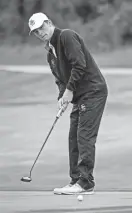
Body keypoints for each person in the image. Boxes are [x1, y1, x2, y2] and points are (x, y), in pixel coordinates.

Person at [28, 12, 108, 195]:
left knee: (84, 136)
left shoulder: (66, 36)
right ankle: (76, 181)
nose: (40, 33)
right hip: (80, 96)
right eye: (36, 32)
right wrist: (61, 97)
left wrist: (69, 91)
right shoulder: (50, 53)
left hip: (93, 91)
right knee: (73, 137)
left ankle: (86, 182)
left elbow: (79, 64)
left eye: (41, 28)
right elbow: (61, 79)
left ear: (48, 23)